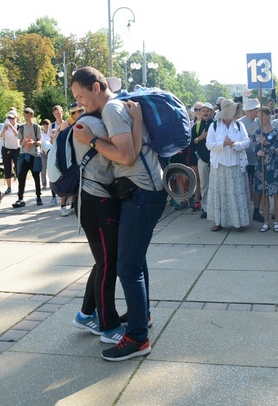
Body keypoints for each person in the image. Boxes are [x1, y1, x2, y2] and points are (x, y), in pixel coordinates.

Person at [71, 66, 165, 362]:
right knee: (135, 261)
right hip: (146, 188)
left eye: (81, 95)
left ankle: (138, 338)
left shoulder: (111, 109)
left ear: (96, 88)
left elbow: (125, 156)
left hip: (141, 191)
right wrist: (136, 122)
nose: (79, 102)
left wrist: (93, 142)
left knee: (126, 267)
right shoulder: (118, 106)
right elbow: (133, 151)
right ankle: (143, 317)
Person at [72, 101, 144, 345]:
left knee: (103, 261)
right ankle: (108, 326)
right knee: (107, 265)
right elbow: (127, 155)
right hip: (97, 200)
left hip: (94, 199)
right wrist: (136, 121)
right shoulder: (92, 124)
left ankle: (85, 314)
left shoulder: (93, 122)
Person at [206, 99, 251, 231]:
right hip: (219, 165)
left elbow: (246, 141)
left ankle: (239, 222)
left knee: (237, 193)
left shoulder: (239, 125)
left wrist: (235, 145)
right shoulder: (214, 126)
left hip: (236, 164)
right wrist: (223, 144)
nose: (235, 114)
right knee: (219, 194)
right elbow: (209, 144)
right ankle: (218, 222)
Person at [253, 107, 278, 232]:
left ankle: (276, 221)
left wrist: (267, 144)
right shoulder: (257, 132)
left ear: (269, 116)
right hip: (262, 168)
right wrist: (258, 153)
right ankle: (266, 221)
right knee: (264, 194)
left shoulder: (277, 132)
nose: (260, 119)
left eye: (262, 116)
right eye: (258, 117)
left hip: (275, 167)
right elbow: (254, 150)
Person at [12, 108, 42, 208]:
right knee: (21, 177)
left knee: (36, 177)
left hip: (34, 155)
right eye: (25, 115)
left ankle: (38, 196)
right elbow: (19, 143)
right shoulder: (21, 128)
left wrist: (34, 142)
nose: (27, 117)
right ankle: (20, 198)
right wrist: (23, 142)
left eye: (28, 115)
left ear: (32, 116)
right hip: (24, 155)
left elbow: (40, 141)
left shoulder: (36, 127)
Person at [238, 98, 262, 221]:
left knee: (257, 186)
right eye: (256, 110)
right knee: (244, 186)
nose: (258, 112)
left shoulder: (259, 122)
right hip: (243, 160)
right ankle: (244, 210)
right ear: (250, 110)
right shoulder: (239, 123)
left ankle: (256, 210)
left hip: (256, 159)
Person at [193, 102, 214, 219]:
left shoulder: (216, 125)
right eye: (203, 111)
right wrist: (201, 137)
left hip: (216, 160)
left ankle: (215, 207)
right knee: (204, 185)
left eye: (208, 111)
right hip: (202, 159)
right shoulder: (196, 126)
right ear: (200, 113)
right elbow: (191, 143)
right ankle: (206, 208)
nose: (205, 113)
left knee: (216, 185)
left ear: (211, 112)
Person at [0, 110, 20, 194]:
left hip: (16, 148)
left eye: (12, 118)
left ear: (16, 118)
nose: (10, 120)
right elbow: (1, 137)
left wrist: (12, 127)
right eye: (9, 118)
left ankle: (20, 186)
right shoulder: (5, 126)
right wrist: (4, 130)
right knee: (7, 168)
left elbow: (18, 136)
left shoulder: (19, 126)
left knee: (18, 168)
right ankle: (9, 187)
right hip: (6, 148)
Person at [39, 118, 52, 190]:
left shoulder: (51, 133)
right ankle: (44, 184)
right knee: (43, 169)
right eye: (44, 124)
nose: (46, 126)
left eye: (47, 124)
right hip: (43, 152)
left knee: (50, 168)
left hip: (50, 152)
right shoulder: (41, 134)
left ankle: (52, 183)